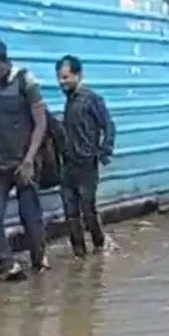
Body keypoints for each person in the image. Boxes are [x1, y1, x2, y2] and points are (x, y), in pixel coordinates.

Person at [0, 39, 48, 281]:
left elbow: (40, 123)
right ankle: (7, 265)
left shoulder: (25, 81)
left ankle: (39, 262)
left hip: (24, 161)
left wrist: (29, 159)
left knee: (30, 215)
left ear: (7, 63)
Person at [56, 55, 115, 256]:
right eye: (60, 78)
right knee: (70, 211)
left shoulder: (91, 99)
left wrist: (104, 151)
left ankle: (99, 244)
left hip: (86, 164)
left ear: (78, 75)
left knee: (87, 209)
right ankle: (79, 254)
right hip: (68, 165)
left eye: (66, 77)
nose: (61, 82)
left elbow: (108, 126)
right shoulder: (69, 101)